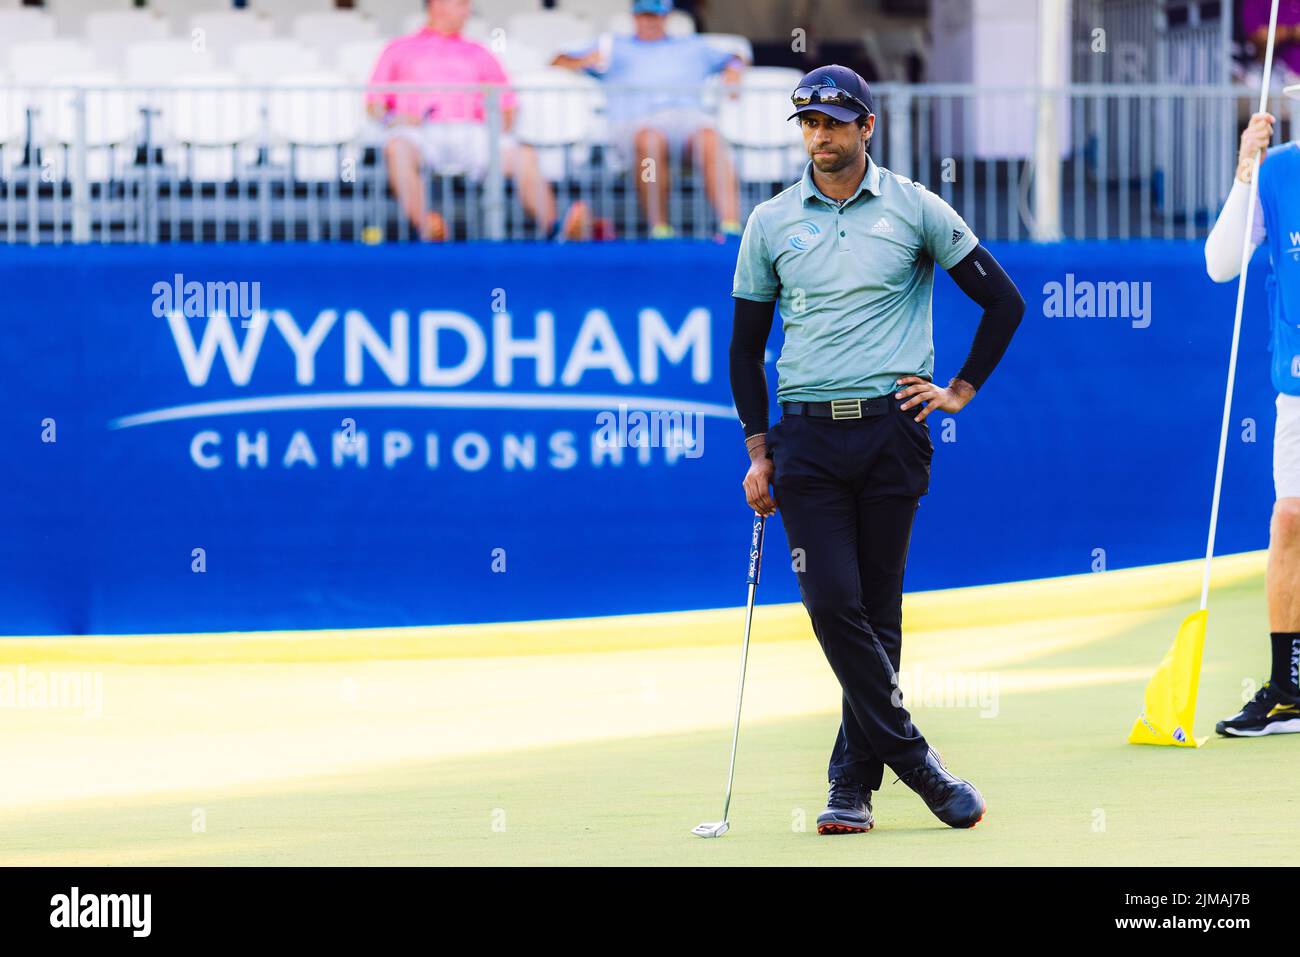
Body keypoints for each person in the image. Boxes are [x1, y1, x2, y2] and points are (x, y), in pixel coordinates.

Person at [729, 66, 1025, 834]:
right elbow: (745, 348)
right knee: (832, 601)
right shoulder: (770, 221)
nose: (818, 136)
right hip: (806, 438)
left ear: (867, 126)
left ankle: (849, 788)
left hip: (892, 431)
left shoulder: (914, 206)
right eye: (807, 123)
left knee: (878, 613)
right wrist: (759, 448)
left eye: (832, 122)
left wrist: (957, 390)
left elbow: (1003, 300)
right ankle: (921, 765)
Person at [1203, 84, 1300, 737]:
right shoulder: (1280, 171)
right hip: (1295, 385)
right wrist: (1246, 169)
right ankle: (1290, 689)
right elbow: (1221, 263)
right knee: (1289, 520)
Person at [366, 0, 589, 241]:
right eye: (461, 4)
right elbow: (374, 104)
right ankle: (427, 228)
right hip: (419, 131)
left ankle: (556, 229)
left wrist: (498, 130)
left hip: (474, 133)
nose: (467, 11)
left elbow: (507, 104)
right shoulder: (398, 49)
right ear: (436, 5)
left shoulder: (479, 52)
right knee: (396, 149)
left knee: (524, 155)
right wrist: (395, 119)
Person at [551, 0, 742, 239]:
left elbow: (735, 56)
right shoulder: (612, 45)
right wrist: (584, 61)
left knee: (710, 138)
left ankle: (731, 229)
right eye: (643, 15)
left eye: (654, 16)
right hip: (636, 123)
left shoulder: (692, 45)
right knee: (650, 140)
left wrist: (734, 69)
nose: (648, 21)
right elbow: (557, 60)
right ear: (633, 16)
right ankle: (660, 229)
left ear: (667, 17)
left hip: (687, 120)